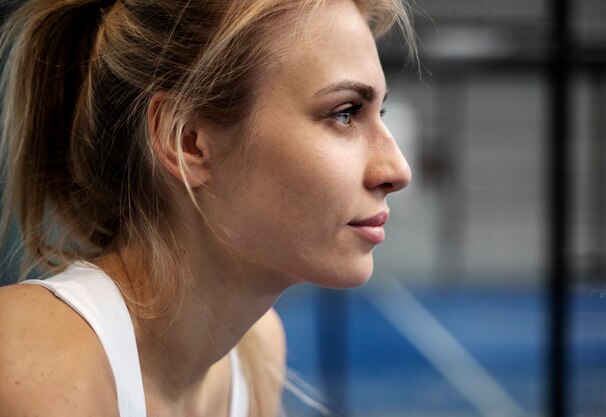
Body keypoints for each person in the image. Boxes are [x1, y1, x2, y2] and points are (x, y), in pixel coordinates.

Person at [0, 0, 415, 416]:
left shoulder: (255, 352)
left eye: (380, 112)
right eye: (344, 114)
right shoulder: (32, 357)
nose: (397, 170)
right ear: (189, 141)